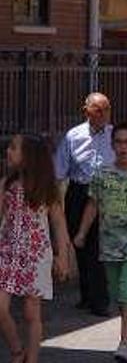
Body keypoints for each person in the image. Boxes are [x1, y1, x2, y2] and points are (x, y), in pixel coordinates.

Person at [74, 122, 127, 362]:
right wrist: (81, 233)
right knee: (119, 296)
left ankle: (123, 343)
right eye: (118, 142)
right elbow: (93, 205)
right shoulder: (102, 174)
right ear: (112, 146)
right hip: (109, 243)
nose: (123, 147)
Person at [0, 134, 71, 363]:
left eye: (13, 148)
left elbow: (59, 223)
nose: (8, 152)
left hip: (36, 254)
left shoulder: (47, 188)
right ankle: (16, 350)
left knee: (32, 312)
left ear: (29, 156)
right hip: (6, 252)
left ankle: (31, 358)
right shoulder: (6, 184)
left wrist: (63, 256)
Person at [54, 92, 114, 316]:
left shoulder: (114, 135)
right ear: (86, 110)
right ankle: (87, 295)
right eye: (98, 110)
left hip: (106, 193)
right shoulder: (74, 136)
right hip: (79, 192)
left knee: (97, 246)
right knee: (80, 242)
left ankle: (100, 300)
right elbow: (59, 169)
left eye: (107, 109)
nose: (103, 115)